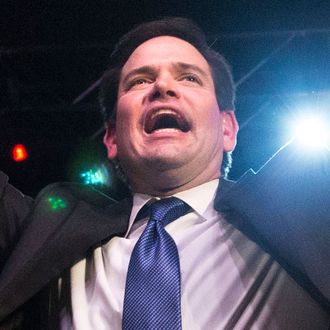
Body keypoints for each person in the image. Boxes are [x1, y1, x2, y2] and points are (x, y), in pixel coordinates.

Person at [0, 17, 330, 329]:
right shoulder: (47, 226)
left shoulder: (309, 205)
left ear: (227, 128)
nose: (162, 86)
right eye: (139, 81)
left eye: (189, 78)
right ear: (112, 138)